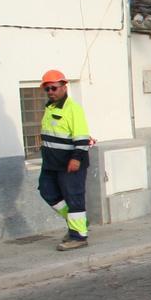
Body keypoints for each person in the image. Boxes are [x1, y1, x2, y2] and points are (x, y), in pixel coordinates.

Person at [36, 69, 92, 251]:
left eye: (53, 88)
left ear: (64, 86)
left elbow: (82, 138)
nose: (50, 92)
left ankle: (78, 236)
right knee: (46, 191)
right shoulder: (50, 108)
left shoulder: (73, 109)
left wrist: (76, 159)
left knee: (73, 197)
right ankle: (77, 221)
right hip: (51, 163)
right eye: (47, 89)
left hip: (69, 164)